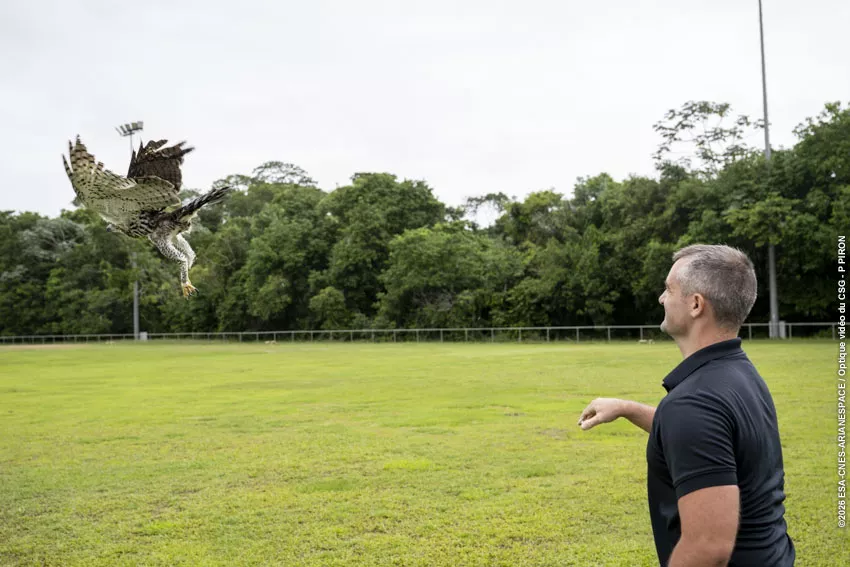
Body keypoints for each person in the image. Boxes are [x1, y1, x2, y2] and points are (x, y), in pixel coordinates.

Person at [578, 244, 794, 566]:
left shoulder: (694, 403)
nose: (661, 298)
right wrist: (627, 408)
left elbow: (707, 547)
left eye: (668, 288)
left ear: (695, 304)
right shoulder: (739, 373)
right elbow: (710, 439)